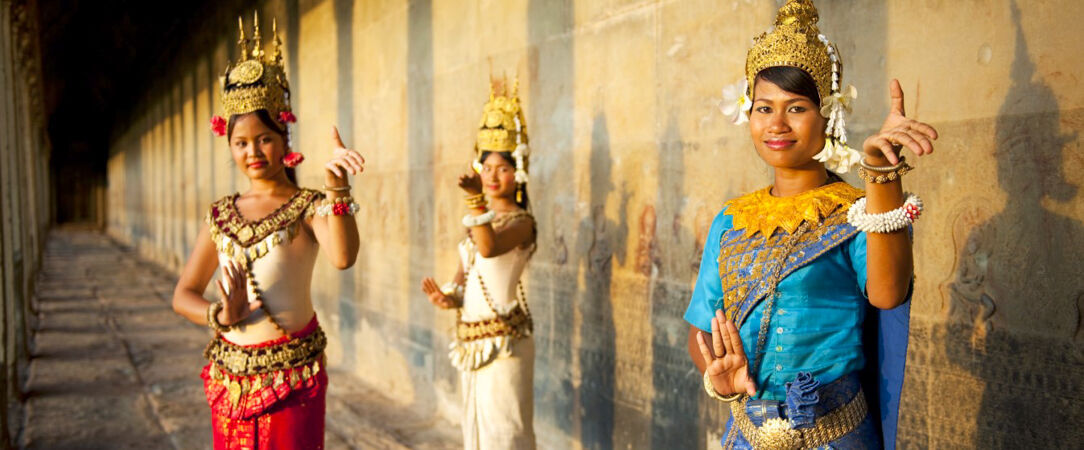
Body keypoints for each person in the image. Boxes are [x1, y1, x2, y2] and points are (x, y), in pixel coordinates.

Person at [684, 1, 938, 448]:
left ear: (829, 114)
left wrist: (879, 174)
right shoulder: (731, 219)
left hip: (836, 434)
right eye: (764, 108)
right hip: (747, 433)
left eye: (796, 107)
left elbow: (888, 292)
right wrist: (717, 378)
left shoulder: (857, 212)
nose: (776, 124)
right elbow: (703, 329)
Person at [170, 14, 363, 450]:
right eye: (241, 142)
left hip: (293, 384)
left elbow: (343, 256)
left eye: (265, 138)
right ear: (229, 145)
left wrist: (337, 189)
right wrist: (220, 316)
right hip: (230, 381)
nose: (253, 151)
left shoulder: (307, 206)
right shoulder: (220, 215)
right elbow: (183, 293)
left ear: (285, 136)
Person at [420, 78, 538, 449]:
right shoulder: (476, 223)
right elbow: (466, 275)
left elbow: (488, 249)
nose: (491, 175)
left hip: (505, 343)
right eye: (486, 167)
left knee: (506, 433)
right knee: (477, 434)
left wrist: (475, 202)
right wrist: (448, 298)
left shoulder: (521, 222)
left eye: (502, 168)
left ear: (517, 174)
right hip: (471, 340)